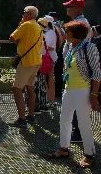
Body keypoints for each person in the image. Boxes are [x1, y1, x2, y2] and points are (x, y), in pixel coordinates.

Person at [48, 21, 101, 169]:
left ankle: (89, 155)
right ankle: (63, 148)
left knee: (83, 122)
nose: (65, 34)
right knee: (64, 119)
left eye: (68, 32)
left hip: (83, 89)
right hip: (69, 88)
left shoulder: (89, 47)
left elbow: (97, 73)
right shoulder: (71, 47)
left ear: (75, 34)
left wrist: (94, 93)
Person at [63, 0, 91, 143]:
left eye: (69, 6)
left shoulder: (81, 24)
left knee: (78, 100)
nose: (67, 9)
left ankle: (78, 132)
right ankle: (76, 130)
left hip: (78, 69)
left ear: (76, 8)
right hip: (74, 67)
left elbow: (81, 47)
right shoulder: (81, 22)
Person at [9, 6, 42, 128]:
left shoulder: (26, 25)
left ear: (28, 14)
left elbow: (12, 38)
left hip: (27, 62)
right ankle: (30, 116)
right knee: (30, 88)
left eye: (24, 13)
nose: (23, 15)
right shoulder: (38, 26)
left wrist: (20, 24)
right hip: (36, 61)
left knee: (17, 88)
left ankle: (22, 119)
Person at [43, 15, 63, 109]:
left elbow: (50, 46)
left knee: (48, 79)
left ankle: (49, 100)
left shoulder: (50, 32)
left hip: (49, 58)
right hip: (51, 57)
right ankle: (50, 100)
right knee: (49, 79)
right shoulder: (51, 31)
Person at [48, 11, 65, 99]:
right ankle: (57, 93)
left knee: (54, 72)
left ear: (53, 17)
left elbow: (62, 36)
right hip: (59, 51)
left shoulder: (55, 25)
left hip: (56, 51)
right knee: (58, 73)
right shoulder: (60, 25)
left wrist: (57, 46)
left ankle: (55, 94)